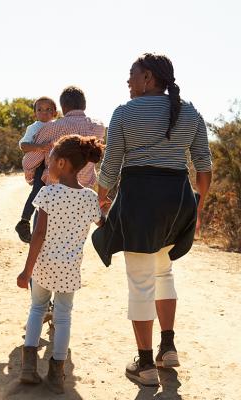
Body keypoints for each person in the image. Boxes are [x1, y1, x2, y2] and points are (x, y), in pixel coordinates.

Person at [93, 53, 212, 387]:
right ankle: (168, 347)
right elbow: (203, 166)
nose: (127, 81)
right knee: (163, 270)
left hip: (140, 198)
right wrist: (196, 209)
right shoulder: (190, 112)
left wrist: (101, 201)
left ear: (147, 77)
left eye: (131, 74)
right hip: (177, 199)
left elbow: (111, 166)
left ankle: (145, 365)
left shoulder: (124, 113)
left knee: (141, 280)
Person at [17, 135, 105, 394]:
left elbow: (39, 235)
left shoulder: (48, 192)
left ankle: (28, 368)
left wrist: (27, 270)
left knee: (36, 308)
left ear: (63, 163)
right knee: (63, 317)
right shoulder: (89, 197)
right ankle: (57, 373)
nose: (49, 163)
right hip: (69, 268)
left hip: (44, 265)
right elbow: (101, 223)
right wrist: (104, 209)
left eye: (52, 159)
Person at [22, 86, 105, 189]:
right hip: (84, 189)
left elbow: (30, 162)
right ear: (84, 105)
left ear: (63, 107)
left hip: (54, 190)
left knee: (31, 205)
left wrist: (29, 176)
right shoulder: (99, 127)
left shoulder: (50, 128)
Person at [15, 97, 57, 243]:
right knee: (38, 192)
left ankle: (44, 231)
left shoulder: (57, 126)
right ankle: (24, 221)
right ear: (35, 114)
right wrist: (39, 147)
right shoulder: (34, 127)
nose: (44, 113)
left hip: (52, 165)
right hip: (40, 165)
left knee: (46, 198)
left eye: (48, 109)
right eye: (39, 110)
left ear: (55, 113)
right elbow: (23, 145)